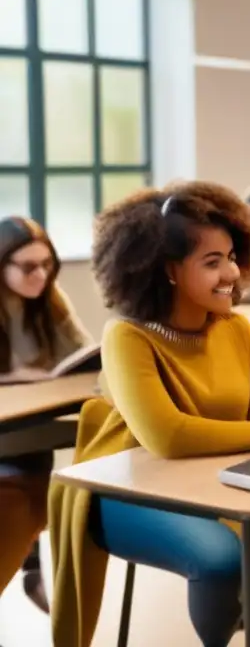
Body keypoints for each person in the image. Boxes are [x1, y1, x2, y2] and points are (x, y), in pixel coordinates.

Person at [47, 182, 250, 647]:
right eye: (213, 262)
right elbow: (166, 437)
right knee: (219, 559)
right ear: (169, 270)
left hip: (217, 475)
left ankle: (247, 637)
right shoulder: (127, 337)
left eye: (232, 256)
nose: (232, 271)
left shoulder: (236, 329)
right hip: (123, 488)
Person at [0, 216, 92, 615]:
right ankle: (29, 560)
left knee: (37, 467)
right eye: (28, 267)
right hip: (8, 425)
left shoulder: (50, 300)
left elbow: (84, 351)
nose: (41, 275)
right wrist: (16, 376)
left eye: (47, 264)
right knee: (23, 484)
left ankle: (30, 559)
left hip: (32, 425)